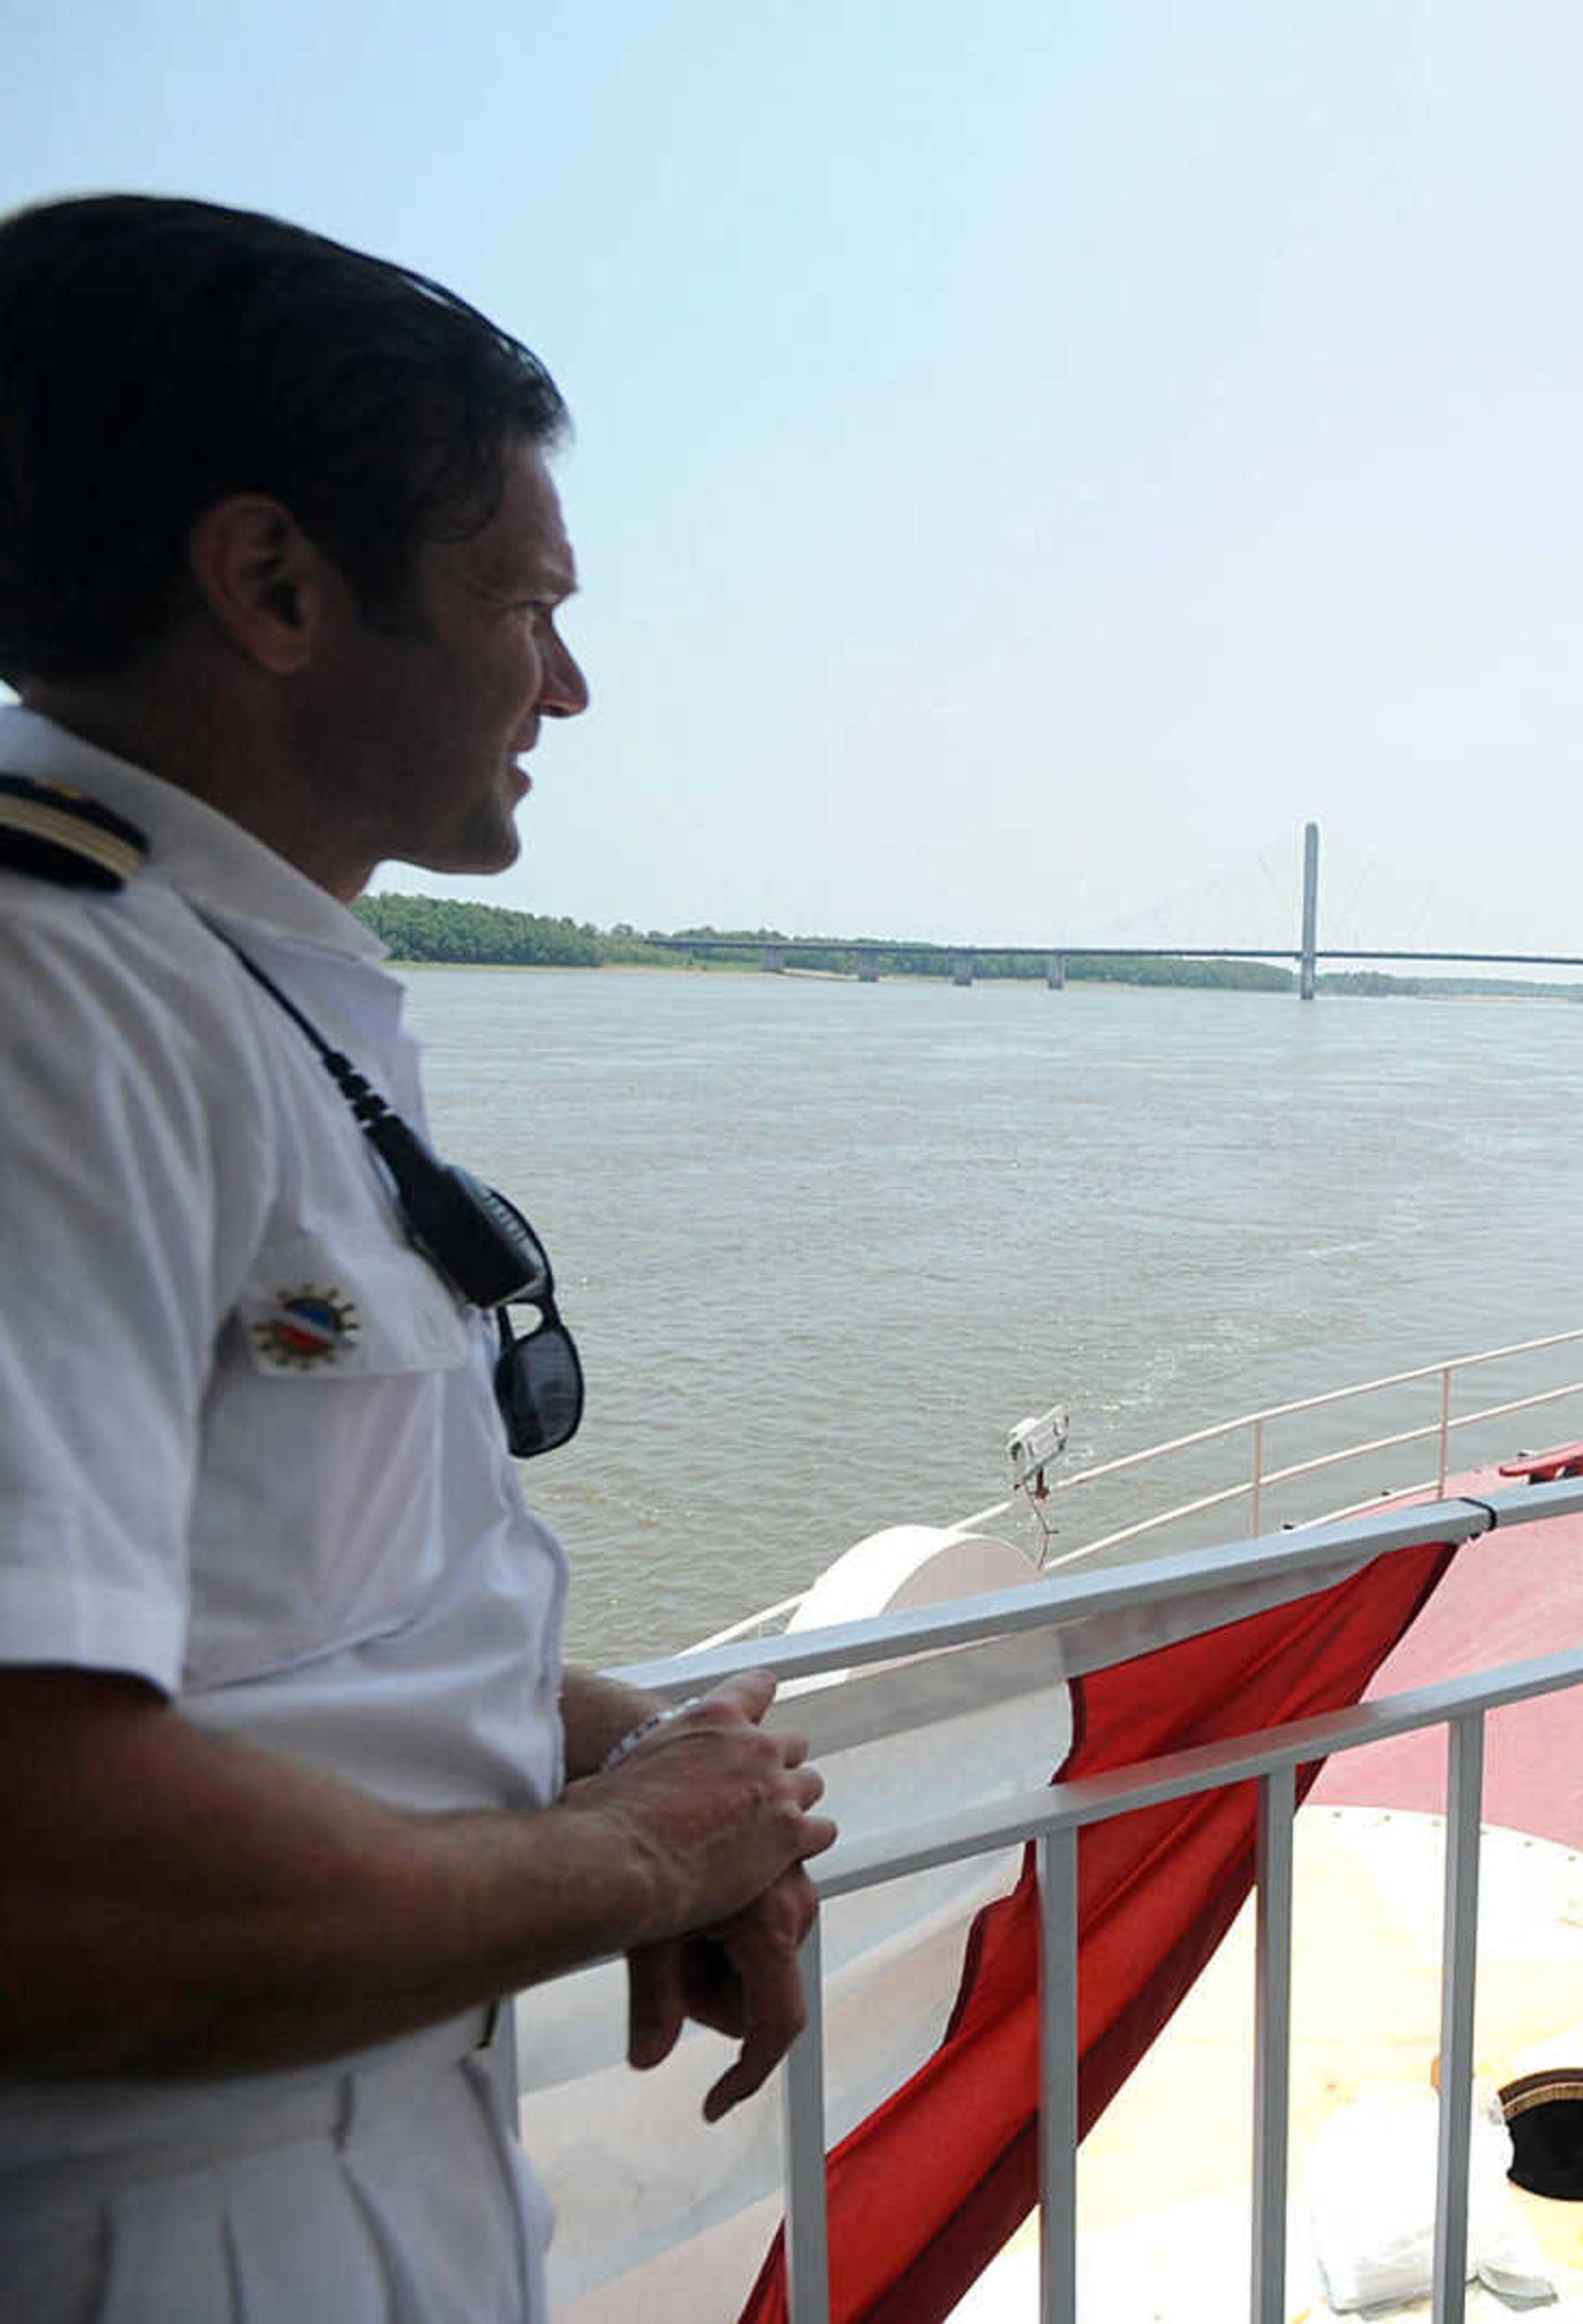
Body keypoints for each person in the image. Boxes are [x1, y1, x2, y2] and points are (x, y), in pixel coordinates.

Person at [0, 194, 835, 2320]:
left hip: (356, 2162)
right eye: (520, 598)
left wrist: (579, 1742)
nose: (567, 678)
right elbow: (40, 1867)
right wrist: (641, 1854)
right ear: (275, 584)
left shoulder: (218, 972)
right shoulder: (51, 1006)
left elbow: (262, 1611)